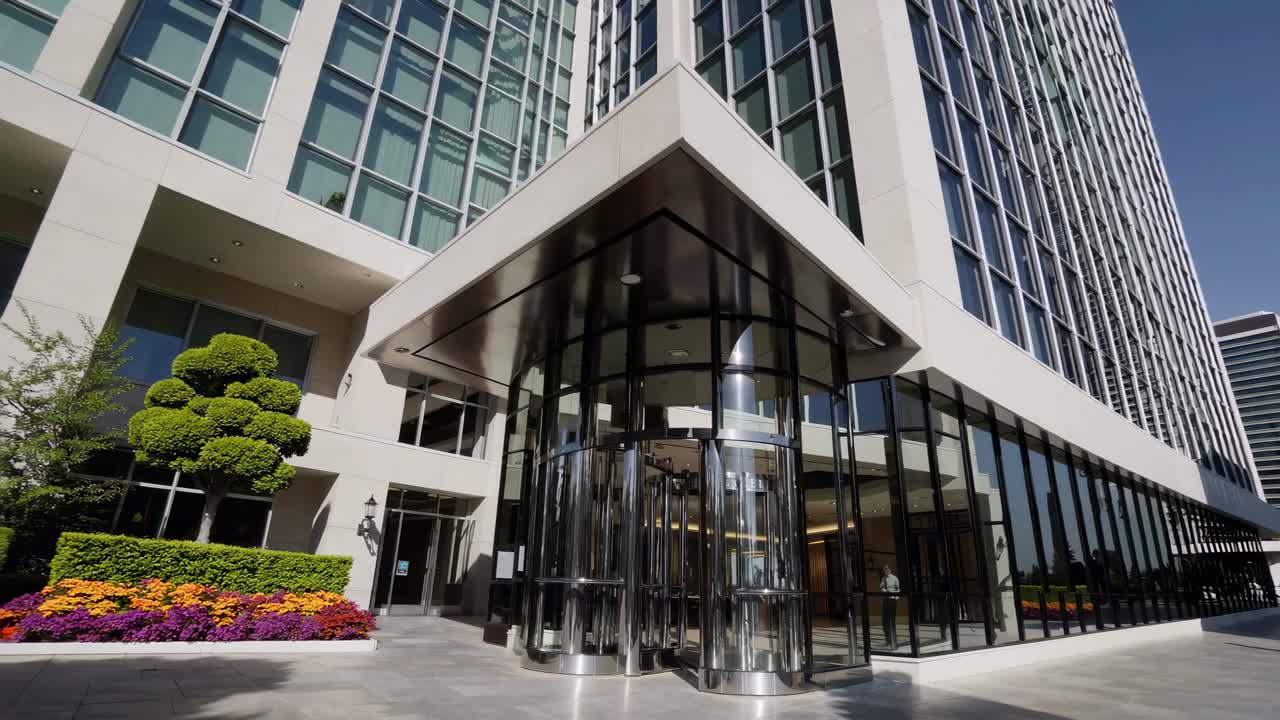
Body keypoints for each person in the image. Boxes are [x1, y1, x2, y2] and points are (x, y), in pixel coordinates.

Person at [879, 565, 900, 651]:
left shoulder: (895, 578)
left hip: (892, 600)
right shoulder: (883, 579)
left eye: (887, 569)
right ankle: (888, 640)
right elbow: (881, 588)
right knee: (884, 622)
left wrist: (894, 596)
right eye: (884, 570)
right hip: (885, 600)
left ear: (890, 570)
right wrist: (883, 591)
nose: (885, 571)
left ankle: (893, 642)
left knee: (891, 621)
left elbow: (898, 589)